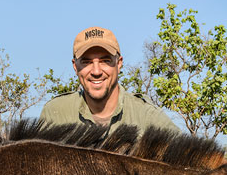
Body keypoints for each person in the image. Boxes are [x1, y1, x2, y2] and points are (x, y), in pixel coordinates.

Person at [40, 26, 179, 135]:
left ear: (119, 63)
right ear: (75, 67)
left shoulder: (147, 117)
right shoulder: (55, 113)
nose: (96, 71)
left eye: (105, 61)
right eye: (86, 62)